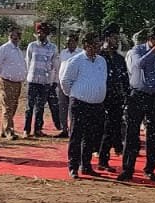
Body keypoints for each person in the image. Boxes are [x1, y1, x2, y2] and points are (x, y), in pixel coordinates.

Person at [120, 29, 155, 182]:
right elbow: (139, 64)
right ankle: (128, 168)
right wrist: (154, 51)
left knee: (154, 134)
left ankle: (150, 168)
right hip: (139, 94)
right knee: (132, 132)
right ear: (151, 39)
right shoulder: (138, 50)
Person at [60, 33, 108, 177]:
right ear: (86, 45)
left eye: (99, 43)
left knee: (90, 137)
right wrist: (76, 94)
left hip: (96, 105)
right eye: (95, 44)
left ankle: (86, 165)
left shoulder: (101, 61)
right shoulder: (76, 61)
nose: (98, 47)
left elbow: (103, 79)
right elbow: (65, 82)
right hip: (80, 104)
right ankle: (73, 166)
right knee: (76, 135)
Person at [23, 23, 60, 137]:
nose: (40, 35)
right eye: (38, 32)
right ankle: (26, 130)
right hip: (33, 80)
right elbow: (28, 62)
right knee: (29, 106)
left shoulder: (53, 48)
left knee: (40, 107)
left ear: (46, 34)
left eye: (42, 33)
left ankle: (37, 129)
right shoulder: (32, 46)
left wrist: (53, 80)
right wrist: (28, 76)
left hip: (45, 82)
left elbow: (55, 65)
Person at [98, 35, 129, 170]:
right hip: (100, 97)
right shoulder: (100, 58)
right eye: (112, 38)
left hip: (116, 98)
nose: (115, 41)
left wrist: (127, 95)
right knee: (101, 128)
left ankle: (104, 159)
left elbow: (124, 78)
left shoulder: (119, 58)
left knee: (112, 127)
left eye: (116, 39)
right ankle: (100, 158)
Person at [0, 26, 27, 141]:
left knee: (13, 107)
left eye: (17, 35)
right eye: (13, 35)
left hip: (17, 83)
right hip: (6, 81)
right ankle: (9, 131)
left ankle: (4, 130)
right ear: (9, 35)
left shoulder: (18, 50)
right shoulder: (4, 49)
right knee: (7, 107)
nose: (15, 37)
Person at [53, 31, 82, 138]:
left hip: (74, 84)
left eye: (71, 41)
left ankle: (72, 130)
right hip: (61, 83)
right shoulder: (63, 53)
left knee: (72, 108)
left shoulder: (80, 54)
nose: (69, 43)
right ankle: (64, 129)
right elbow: (59, 67)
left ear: (76, 42)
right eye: (67, 41)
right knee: (62, 107)